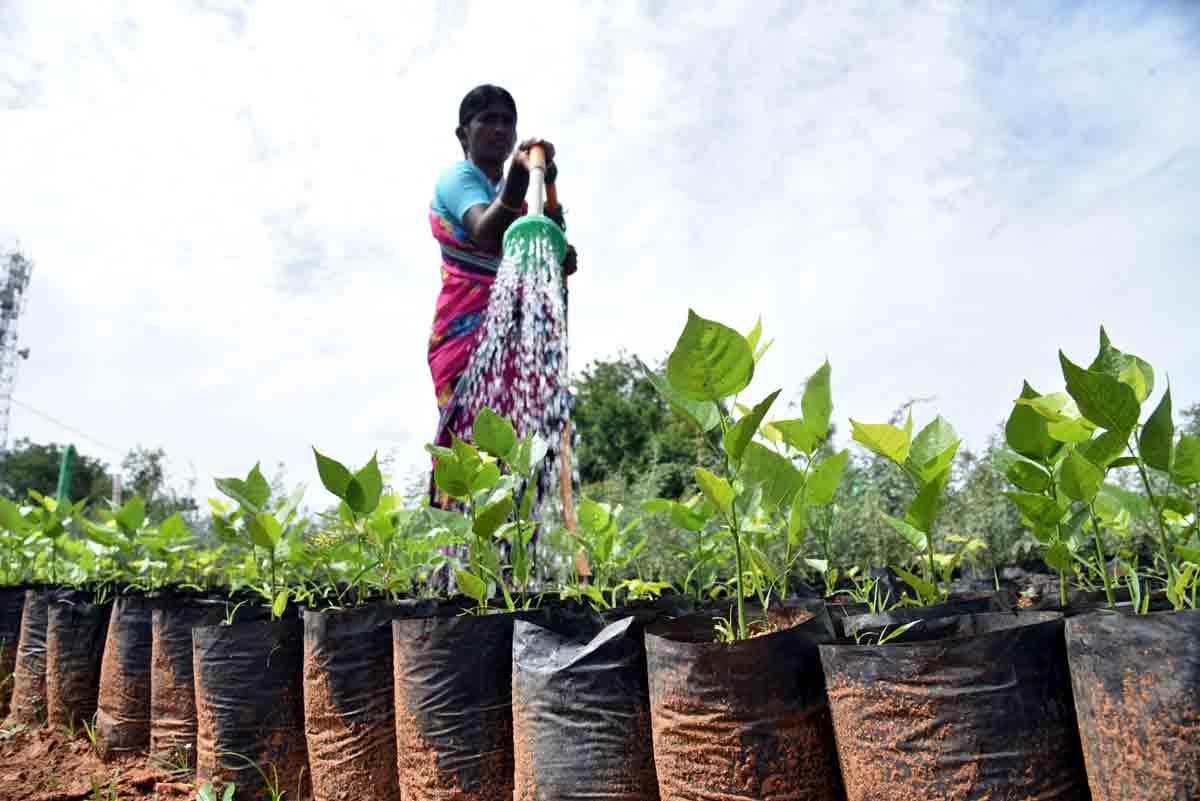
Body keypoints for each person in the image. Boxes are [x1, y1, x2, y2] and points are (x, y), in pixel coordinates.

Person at [427, 84, 575, 505]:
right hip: (466, 335)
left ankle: (517, 542)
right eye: (487, 120)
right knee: (473, 449)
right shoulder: (458, 179)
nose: (499, 129)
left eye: (507, 122)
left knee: (524, 450)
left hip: (518, 338)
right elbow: (486, 234)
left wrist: (561, 254)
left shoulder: (521, 197)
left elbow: (541, 245)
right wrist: (519, 178)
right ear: (463, 134)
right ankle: (460, 539)